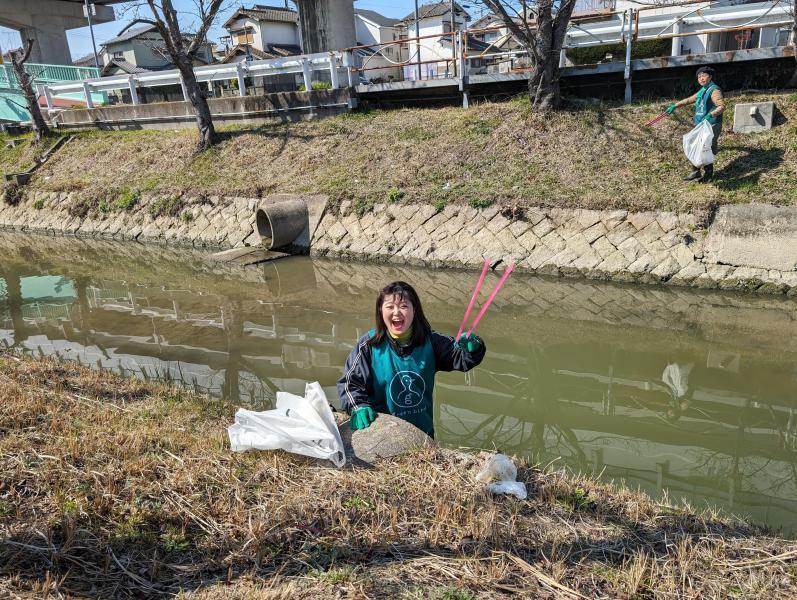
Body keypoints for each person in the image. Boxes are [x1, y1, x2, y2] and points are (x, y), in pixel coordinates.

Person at [337, 281, 486, 438]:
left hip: (422, 434)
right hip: (381, 433)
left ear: (415, 310)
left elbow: (461, 359)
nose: (396, 312)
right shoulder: (368, 344)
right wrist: (358, 405)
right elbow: (350, 382)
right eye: (389, 306)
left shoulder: (433, 341)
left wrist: (474, 347)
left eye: (403, 306)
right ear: (380, 311)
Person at [665, 66, 726, 183]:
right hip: (701, 124)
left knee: (706, 147)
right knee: (696, 145)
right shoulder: (703, 90)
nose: (701, 78)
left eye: (704, 75)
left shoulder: (714, 90)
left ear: (710, 77)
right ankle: (695, 172)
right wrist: (675, 106)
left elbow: (722, 106)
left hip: (711, 124)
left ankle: (708, 174)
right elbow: (689, 99)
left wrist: (711, 115)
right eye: (699, 76)